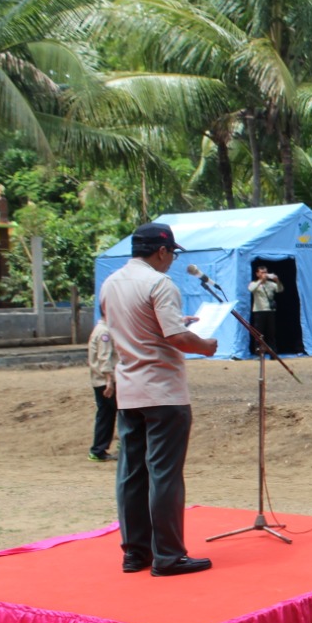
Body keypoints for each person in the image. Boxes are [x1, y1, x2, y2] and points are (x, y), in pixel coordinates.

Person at [99, 223, 217, 576]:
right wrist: (206, 346)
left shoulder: (110, 283)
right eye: (172, 254)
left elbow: (126, 327)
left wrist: (173, 324)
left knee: (131, 473)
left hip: (129, 389)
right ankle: (169, 555)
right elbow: (179, 339)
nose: (172, 261)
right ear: (162, 251)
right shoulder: (159, 283)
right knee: (165, 474)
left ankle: (135, 553)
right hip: (163, 391)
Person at [87, 317, 119, 461]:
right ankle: (125, 447)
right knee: (126, 413)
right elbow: (104, 358)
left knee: (105, 415)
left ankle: (98, 450)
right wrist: (109, 382)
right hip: (106, 382)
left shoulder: (101, 329)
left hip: (100, 381)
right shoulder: (104, 332)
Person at [248, 265, 283, 353]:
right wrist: (260, 281)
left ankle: (273, 351)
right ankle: (258, 351)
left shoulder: (271, 284)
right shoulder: (254, 283)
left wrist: (277, 281)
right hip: (259, 310)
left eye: (266, 272)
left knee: (271, 332)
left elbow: (280, 289)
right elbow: (251, 289)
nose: (264, 274)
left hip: (270, 311)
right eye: (262, 273)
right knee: (259, 333)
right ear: (257, 274)